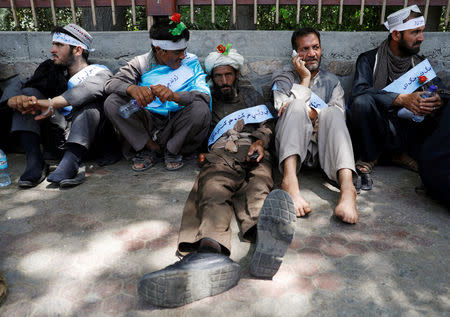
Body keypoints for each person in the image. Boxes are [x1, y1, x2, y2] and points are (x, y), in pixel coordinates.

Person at [137, 46, 296, 308]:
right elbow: (195, 125)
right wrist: (202, 150)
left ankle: (263, 242)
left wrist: (261, 141)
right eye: (219, 76)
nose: (223, 81)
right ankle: (210, 251)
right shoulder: (207, 98)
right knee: (213, 187)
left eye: (228, 75)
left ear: (236, 74)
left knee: (259, 187)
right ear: (213, 77)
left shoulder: (250, 94)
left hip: (256, 148)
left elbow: (268, 122)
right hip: (224, 149)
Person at [347, 5, 446, 190]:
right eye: (415, 32)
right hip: (378, 127)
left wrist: (437, 100)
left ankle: (401, 154)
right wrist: (401, 99)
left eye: (421, 32)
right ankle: (372, 156)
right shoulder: (368, 60)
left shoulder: (419, 64)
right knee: (362, 102)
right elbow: (359, 91)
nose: (421, 38)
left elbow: (440, 89)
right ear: (395, 35)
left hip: (406, 131)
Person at [1, 24, 112, 188]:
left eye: (59, 45)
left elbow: (89, 89)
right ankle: (35, 161)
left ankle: (72, 161)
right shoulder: (52, 71)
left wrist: (51, 103)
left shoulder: (99, 72)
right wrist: (13, 100)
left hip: (87, 142)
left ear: (78, 50)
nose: (52, 49)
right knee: (27, 94)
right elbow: (23, 83)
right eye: (53, 44)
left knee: (91, 104)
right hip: (56, 136)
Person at [103, 14, 211, 171]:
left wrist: (174, 96)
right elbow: (111, 84)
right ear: (159, 50)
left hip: (177, 121)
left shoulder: (190, 62)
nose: (182, 56)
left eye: (184, 51)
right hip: (147, 120)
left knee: (201, 109)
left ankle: (172, 150)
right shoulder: (141, 64)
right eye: (177, 52)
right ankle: (149, 147)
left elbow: (203, 95)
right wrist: (133, 89)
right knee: (112, 102)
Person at [272, 28, 358, 224]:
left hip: (322, 151)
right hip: (292, 148)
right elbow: (281, 108)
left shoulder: (332, 82)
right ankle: (290, 183)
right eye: (304, 49)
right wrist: (305, 79)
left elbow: (339, 116)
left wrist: (314, 113)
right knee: (293, 106)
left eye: (315, 47)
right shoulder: (282, 78)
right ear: (295, 53)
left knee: (333, 112)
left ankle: (347, 189)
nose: (311, 54)